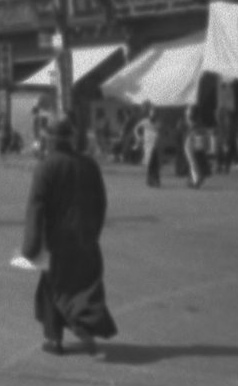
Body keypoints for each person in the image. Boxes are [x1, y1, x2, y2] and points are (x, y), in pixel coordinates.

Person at [19, 116, 117, 356]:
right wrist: (93, 232)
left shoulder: (46, 167)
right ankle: (62, 338)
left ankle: (73, 335)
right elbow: (100, 203)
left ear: (49, 139)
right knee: (82, 286)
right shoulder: (89, 165)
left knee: (57, 289)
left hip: (57, 241)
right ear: (70, 139)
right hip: (85, 240)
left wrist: (30, 246)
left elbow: (36, 208)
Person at [134, 101, 161, 188]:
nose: (154, 113)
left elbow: (159, 133)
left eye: (155, 111)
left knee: (156, 163)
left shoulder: (158, 122)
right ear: (149, 112)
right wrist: (138, 137)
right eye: (152, 111)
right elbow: (136, 129)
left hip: (156, 145)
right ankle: (150, 180)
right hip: (148, 146)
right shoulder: (145, 121)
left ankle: (156, 180)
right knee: (150, 163)